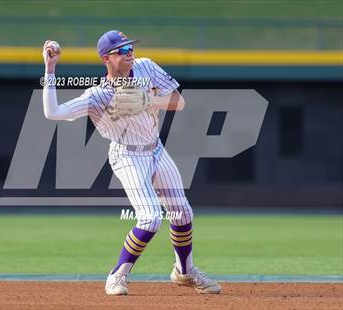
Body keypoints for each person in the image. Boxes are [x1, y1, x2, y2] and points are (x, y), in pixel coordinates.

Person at [42, 30, 221, 296]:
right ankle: (117, 275)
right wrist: (50, 68)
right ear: (106, 58)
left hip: (156, 149)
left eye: (130, 48)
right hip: (127, 155)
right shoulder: (98, 95)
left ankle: (184, 272)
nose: (130, 53)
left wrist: (148, 100)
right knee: (150, 219)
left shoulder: (146, 67)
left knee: (183, 214)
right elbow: (52, 113)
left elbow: (178, 102)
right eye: (122, 50)